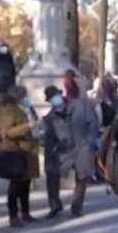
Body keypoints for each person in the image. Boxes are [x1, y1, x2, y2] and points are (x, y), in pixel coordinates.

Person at [42, 85, 97, 218]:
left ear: (61, 94)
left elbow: (93, 122)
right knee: (52, 174)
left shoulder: (81, 105)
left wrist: (89, 141)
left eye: (55, 96)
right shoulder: (50, 117)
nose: (55, 100)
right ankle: (55, 205)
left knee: (83, 177)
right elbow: (48, 137)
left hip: (82, 145)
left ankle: (76, 206)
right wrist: (52, 149)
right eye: (51, 99)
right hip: (64, 151)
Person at [0, 86, 40, 227]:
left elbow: (34, 123)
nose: (26, 97)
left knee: (25, 184)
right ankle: (13, 215)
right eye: (24, 95)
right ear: (18, 96)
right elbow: (6, 133)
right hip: (15, 153)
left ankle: (26, 213)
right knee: (15, 185)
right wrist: (27, 127)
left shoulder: (24, 109)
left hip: (27, 152)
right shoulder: (9, 111)